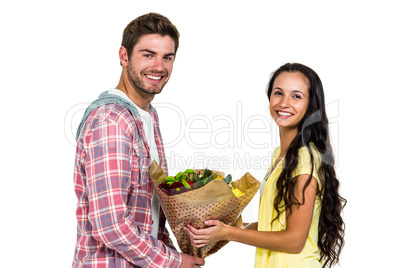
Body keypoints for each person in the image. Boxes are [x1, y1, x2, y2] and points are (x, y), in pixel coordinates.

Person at [72, 13, 205, 268]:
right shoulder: (111, 121)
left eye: (167, 57)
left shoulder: (147, 117)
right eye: (148, 54)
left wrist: (182, 245)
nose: (159, 66)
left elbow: (147, 215)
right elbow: (110, 225)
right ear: (124, 56)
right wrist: (173, 262)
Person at [185, 63, 346, 267]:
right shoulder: (281, 155)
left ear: (311, 105)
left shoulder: (304, 160)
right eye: (278, 93)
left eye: (296, 96)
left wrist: (229, 233)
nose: (284, 103)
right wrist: (225, 228)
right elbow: (275, 225)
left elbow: (294, 241)